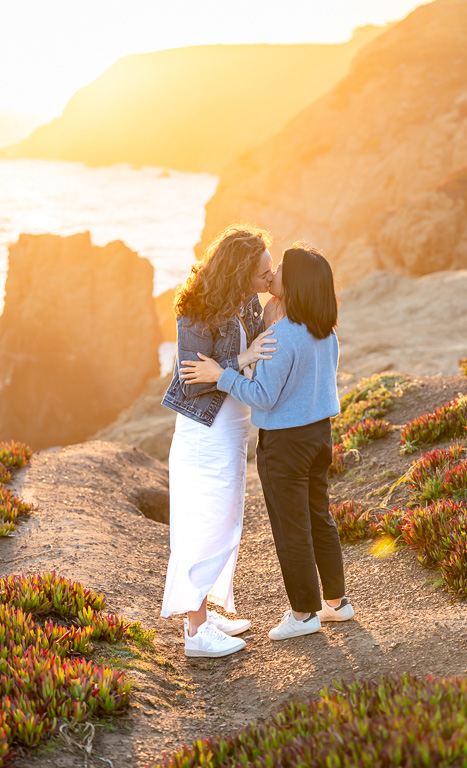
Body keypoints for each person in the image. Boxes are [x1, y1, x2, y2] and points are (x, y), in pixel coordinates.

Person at [180, 244, 354, 642]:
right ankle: (336, 604)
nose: (271, 274)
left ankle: (303, 613)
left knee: (292, 529)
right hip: (319, 437)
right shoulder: (324, 330)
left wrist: (218, 375)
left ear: (292, 285)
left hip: (285, 446)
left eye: (278, 271)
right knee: (319, 518)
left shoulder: (281, 335)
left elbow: (262, 396)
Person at [160, 225, 277, 658]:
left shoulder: (247, 299)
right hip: (203, 432)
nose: (269, 280)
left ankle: (207, 611)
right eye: (263, 273)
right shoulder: (195, 306)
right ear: (241, 271)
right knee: (204, 524)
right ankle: (195, 633)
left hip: (233, 428)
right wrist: (242, 359)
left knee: (226, 520)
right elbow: (192, 382)